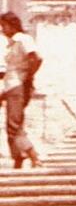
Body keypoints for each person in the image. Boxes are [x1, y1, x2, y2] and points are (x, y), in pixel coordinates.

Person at [1, 12, 43, 168]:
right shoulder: (11, 43)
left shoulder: (22, 39)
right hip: (11, 86)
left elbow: (36, 58)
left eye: (4, 25)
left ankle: (34, 157)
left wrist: (28, 76)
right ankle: (18, 158)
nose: (2, 29)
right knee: (13, 124)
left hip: (18, 85)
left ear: (12, 25)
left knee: (14, 125)